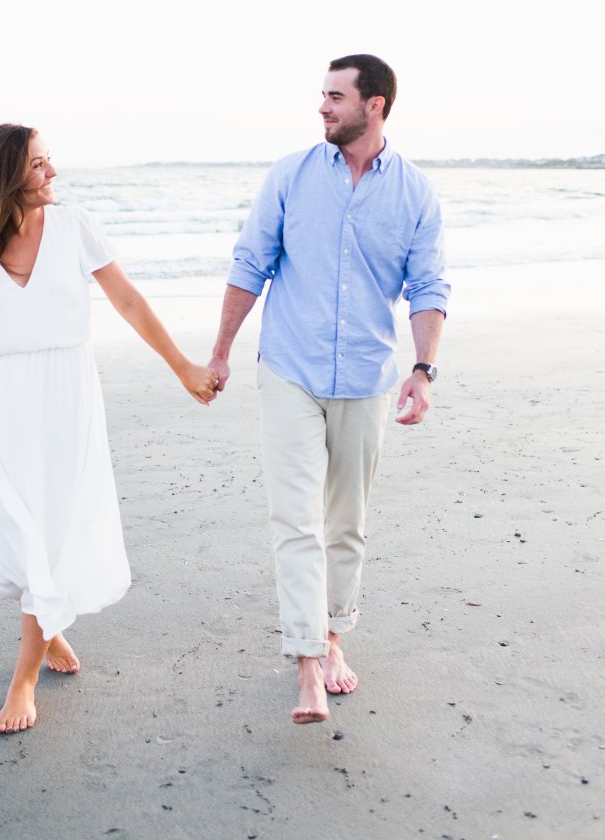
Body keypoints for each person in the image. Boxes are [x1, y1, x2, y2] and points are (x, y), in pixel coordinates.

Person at [0, 124, 218, 734]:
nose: (52, 171)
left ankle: (24, 677)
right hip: (3, 406)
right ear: (6, 176)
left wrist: (183, 366)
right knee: (17, 531)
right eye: (37, 164)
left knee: (51, 532)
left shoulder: (75, 226)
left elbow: (129, 302)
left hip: (67, 398)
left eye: (48, 160)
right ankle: (49, 625)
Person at [208, 55, 450, 724]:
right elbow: (251, 262)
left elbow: (428, 289)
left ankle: (334, 637)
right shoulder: (289, 175)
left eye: (335, 97)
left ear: (375, 106)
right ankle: (308, 665)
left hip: (367, 378)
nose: (322, 107)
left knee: (347, 524)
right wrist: (222, 352)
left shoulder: (414, 194)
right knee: (296, 519)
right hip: (289, 367)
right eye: (321, 95)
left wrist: (423, 368)